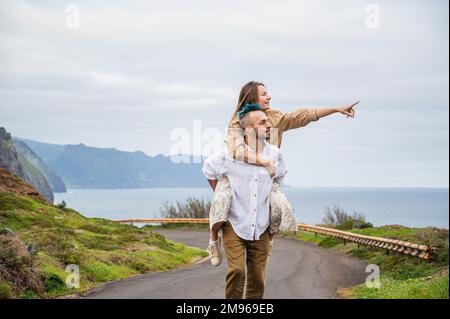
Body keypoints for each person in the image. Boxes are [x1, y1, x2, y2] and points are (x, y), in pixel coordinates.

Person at [206, 80, 358, 266]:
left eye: (267, 93)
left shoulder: (274, 117)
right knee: (220, 202)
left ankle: (269, 241)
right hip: (239, 174)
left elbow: (302, 115)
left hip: (265, 176)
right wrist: (264, 162)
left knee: (278, 206)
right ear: (251, 97)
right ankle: (213, 239)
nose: (269, 96)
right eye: (263, 94)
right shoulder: (238, 121)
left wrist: (336, 109)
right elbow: (237, 151)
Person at [202, 107, 286, 299]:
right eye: (262, 122)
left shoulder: (275, 154)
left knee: (258, 279)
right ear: (248, 129)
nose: (268, 125)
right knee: (237, 272)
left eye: (267, 121)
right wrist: (220, 193)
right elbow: (208, 169)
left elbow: (280, 178)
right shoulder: (229, 155)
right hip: (234, 223)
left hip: (262, 226)